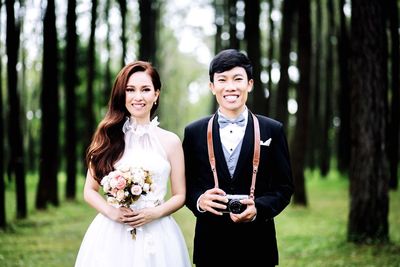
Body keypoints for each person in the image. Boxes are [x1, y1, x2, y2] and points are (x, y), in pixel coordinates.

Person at [183, 49, 294, 267]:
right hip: (210, 246)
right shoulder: (194, 131)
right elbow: (186, 185)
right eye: (222, 80)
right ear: (212, 87)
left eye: (238, 79)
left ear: (250, 84)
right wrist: (200, 201)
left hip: (258, 246)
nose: (230, 87)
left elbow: (284, 187)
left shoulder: (272, 130)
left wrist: (258, 209)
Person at [75, 61, 191, 267]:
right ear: (122, 95)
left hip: (158, 231)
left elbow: (180, 195)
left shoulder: (171, 141)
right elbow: (90, 190)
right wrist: (112, 212)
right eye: (130, 90)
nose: (138, 97)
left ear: (156, 94)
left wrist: (154, 213)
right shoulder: (107, 137)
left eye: (145, 89)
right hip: (112, 232)